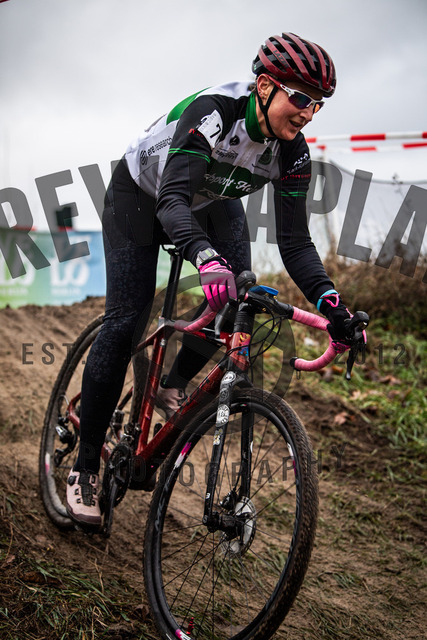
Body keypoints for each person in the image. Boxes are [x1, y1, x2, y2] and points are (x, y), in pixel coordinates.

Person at [66, 32, 352, 528]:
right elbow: (171, 201)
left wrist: (333, 305)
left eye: (318, 104)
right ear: (265, 86)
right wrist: (204, 256)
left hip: (211, 202)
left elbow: (296, 244)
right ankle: (85, 467)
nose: (308, 113)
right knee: (127, 320)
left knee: (237, 302)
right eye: (300, 98)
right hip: (143, 196)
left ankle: (170, 385)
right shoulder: (214, 112)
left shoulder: (292, 152)